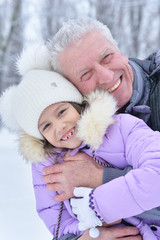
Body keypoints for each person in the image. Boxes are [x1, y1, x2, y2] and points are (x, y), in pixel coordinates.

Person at [1, 44, 160, 240]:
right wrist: (89, 237)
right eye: (46, 126)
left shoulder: (122, 127)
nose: (59, 127)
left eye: (61, 112)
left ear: (77, 104)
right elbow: (59, 226)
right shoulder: (47, 166)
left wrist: (96, 205)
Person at [43, 17, 160, 203]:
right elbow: (61, 219)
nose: (106, 77)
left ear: (120, 51)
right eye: (85, 74)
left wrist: (101, 178)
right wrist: (81, 234)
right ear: (72, 91)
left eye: (107, 57)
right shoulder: (70, 136)